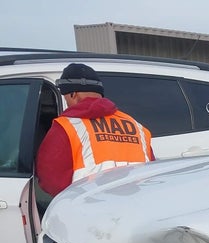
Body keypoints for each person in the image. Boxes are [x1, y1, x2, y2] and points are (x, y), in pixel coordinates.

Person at [35, 63, 154, 196]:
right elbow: (153, 172)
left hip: (89, 204)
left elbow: (50, 181)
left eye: (65, 97)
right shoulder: (137, 127)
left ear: (73, 94)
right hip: (135, 203)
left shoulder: (66, 127)